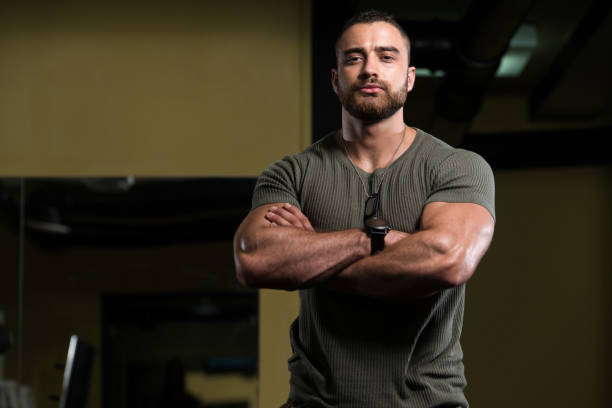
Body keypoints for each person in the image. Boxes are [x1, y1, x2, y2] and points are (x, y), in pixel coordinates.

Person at [233, 9, 495, 408]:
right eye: (354, 58)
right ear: (336, 79)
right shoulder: (291, 173)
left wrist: (313, 256)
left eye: (386, 57)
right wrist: (371, 240)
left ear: (409, 78)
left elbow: (447, 259)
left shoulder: (457, 166)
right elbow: (255, 258)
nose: (370, 69)